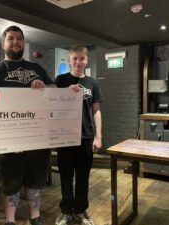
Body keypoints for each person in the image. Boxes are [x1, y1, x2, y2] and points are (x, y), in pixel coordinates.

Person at [0, 25, 54, 225]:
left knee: (35, 182)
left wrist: (45, 87)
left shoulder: (37, 69)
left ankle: (35, 216)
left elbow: (55, 90)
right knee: (10, 185)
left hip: (36, 140)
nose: (15, 42)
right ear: (3, 43)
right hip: (9, 143)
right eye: (11, 38)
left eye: (19, 39)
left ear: (23, 42)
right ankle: (10, 220)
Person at [54, 45, 103, 225]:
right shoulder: (61, 80)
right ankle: (67, 211)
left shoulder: (93, 83)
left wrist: (98, 136)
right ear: (69, 60)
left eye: (82, 58)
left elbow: (96, 110)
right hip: (65, 136)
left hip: (86, 136)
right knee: (66, 176)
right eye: (75, 58)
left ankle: (81, 210)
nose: (78, 62)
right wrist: (66, 93)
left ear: (86, 60)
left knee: (83, 176)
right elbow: (50, 105)